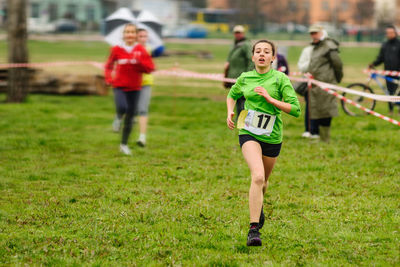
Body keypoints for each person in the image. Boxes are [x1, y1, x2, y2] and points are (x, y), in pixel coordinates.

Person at [226, 40, 301, 246]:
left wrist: (271, 99)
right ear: (252, 57)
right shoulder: (245, 77)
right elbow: (232, 95)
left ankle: (258, 205)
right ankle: (253, 229)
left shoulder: (280, 79)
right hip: (247, 129)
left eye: (266, 52)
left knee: (264, 182)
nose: (261, 54)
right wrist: (229, 111)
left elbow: (295, 109)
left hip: (272, 136)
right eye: (258, 51)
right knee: (257, 176)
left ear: (272, 58)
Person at [105, 23, 155, 155]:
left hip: (135, 88)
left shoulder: (140, 50)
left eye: (132, 32)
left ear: (135, 35)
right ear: (123, 35)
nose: (130, 35)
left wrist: (140, 62)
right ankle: (118, 117)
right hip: (119, 86)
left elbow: (150, 68)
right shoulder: (116, 49)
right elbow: (108, 66)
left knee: (131, 116)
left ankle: (124, 144)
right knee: (122, 107)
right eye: (127, 32)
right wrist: (109, 79)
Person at [307, 25, 343, 143]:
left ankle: (325, 138)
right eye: (311, 33)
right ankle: (316, 135)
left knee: (326, 110)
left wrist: (337, 79)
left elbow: (337, 64)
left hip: (327, 83)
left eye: (315, 33)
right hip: (316, 84)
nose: (313, 36)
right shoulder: (316, 46)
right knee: (316, 109)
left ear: (322, 33)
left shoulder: (329, 45)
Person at [224, 25, 254, 119]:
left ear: (243, 33)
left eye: (239, 32)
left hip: (242, 77)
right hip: (233, 77)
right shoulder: (235, 44)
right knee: (237, 98)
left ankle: (244, 120)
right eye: (236, 33)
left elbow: (251, 60)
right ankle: (239, 119)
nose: (237, 34)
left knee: (243, 100)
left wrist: (247, 75)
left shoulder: (246, 44)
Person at [369, 25, 400, 115]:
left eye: (391, 33)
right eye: (388, 33)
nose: (389, 34)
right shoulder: (385, 45)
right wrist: (373, 64)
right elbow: (381, 58)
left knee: (398, 92)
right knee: (389, 92)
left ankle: (399, 110)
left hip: (397, 73)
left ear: (395, 33)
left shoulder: (399, 44)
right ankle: (390, 110)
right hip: (387, 72)